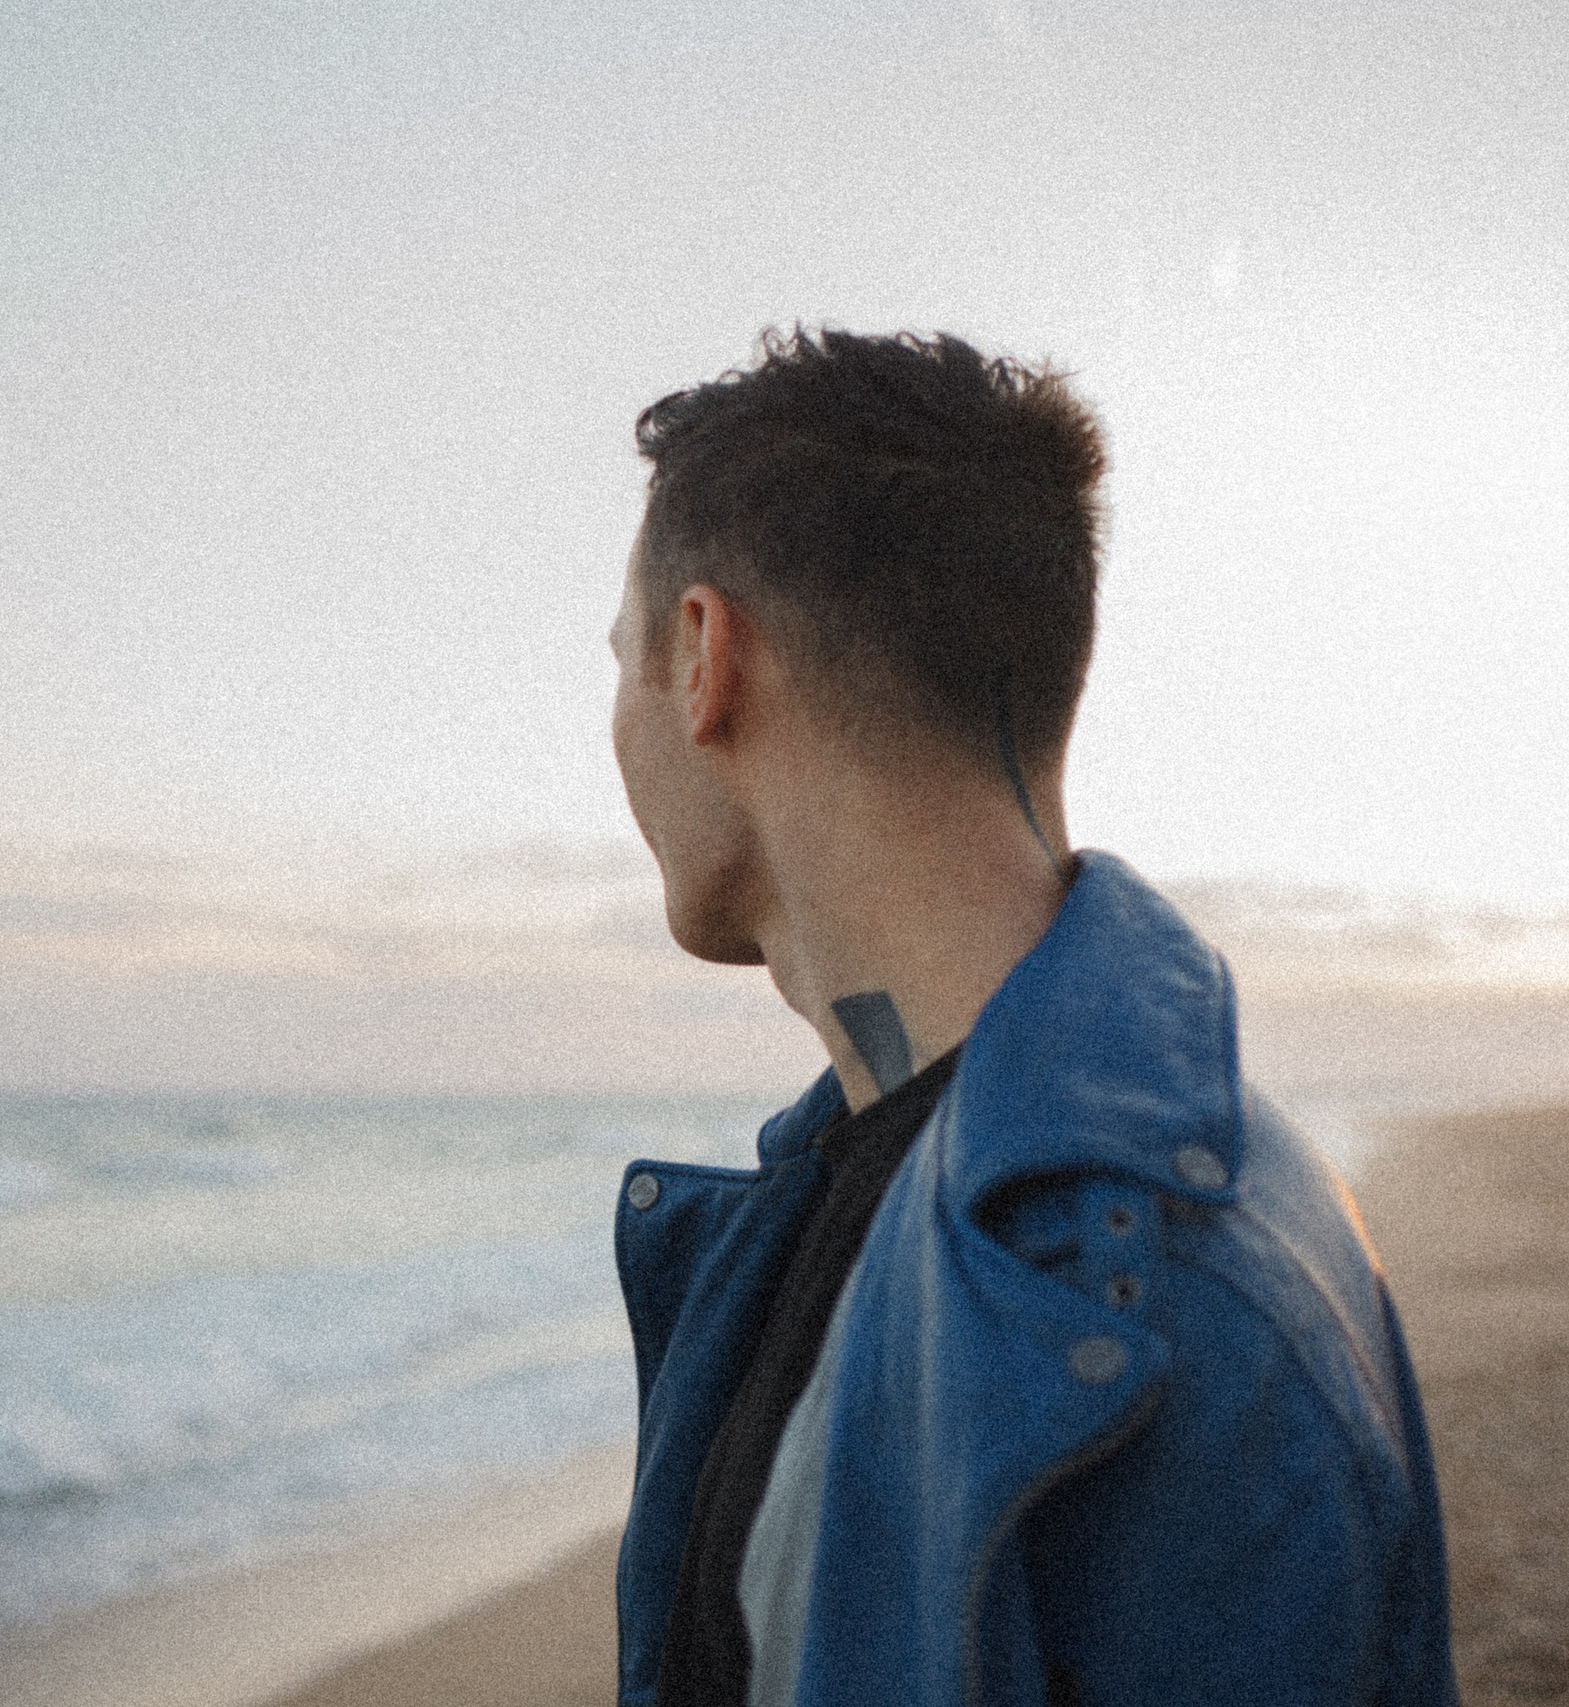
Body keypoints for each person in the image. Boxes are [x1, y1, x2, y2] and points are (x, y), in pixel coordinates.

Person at [605, 328, 1457, 1707]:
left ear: (705, 657)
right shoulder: (857, 1184)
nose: (619, 730)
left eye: (620, 665)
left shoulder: (1152, 1300)